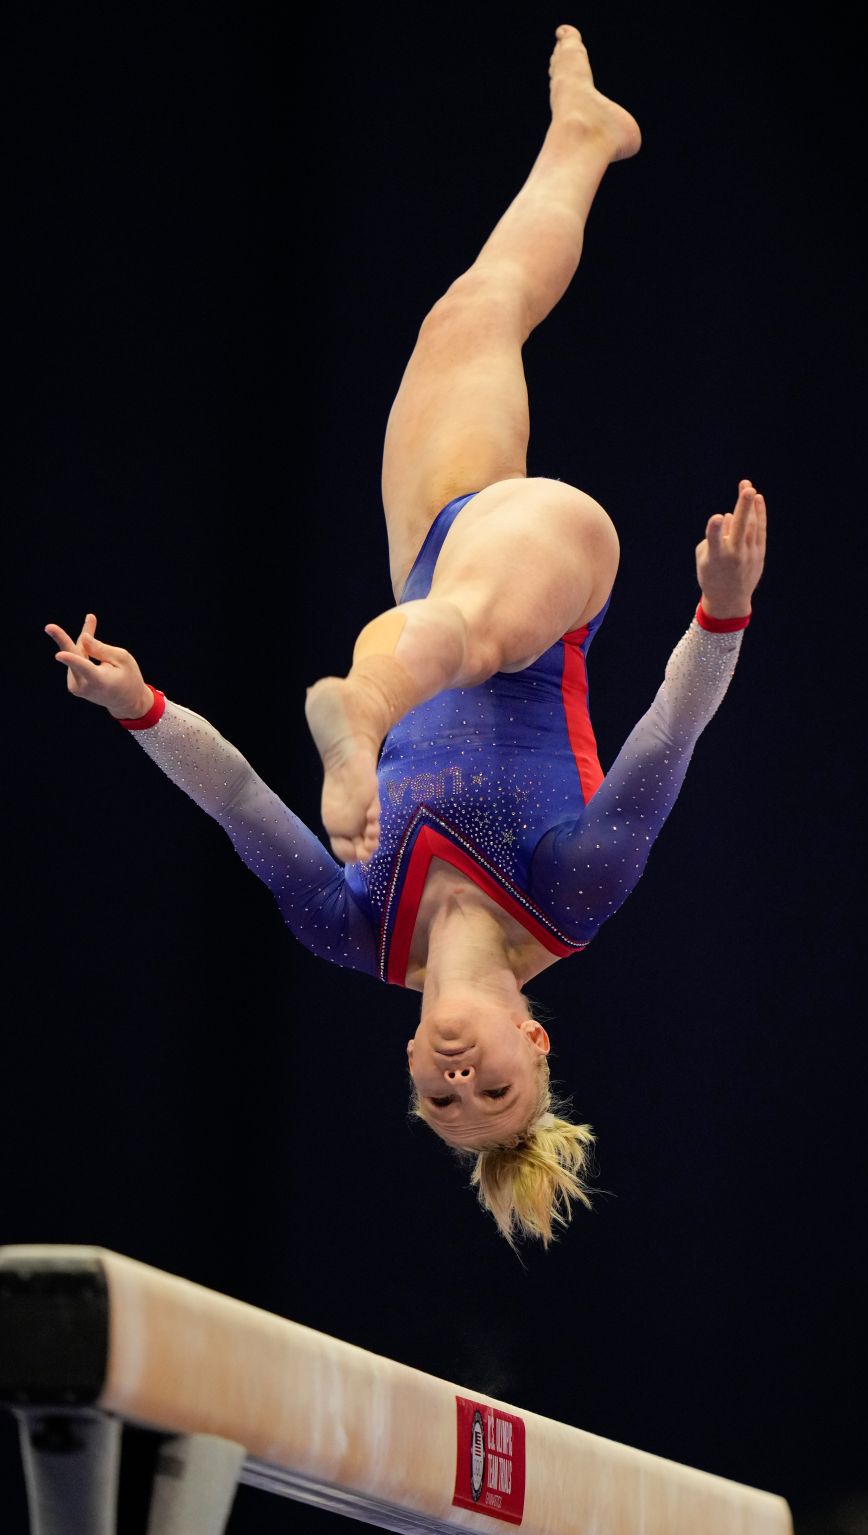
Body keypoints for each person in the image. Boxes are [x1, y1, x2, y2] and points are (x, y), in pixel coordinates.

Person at [45, 25, 767, 1246]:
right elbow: (667, 734)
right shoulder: (569, 891)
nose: (460, 1073)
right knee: (467, 631)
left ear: (409, 1070)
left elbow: (232, 801)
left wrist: (137, 709)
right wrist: (724, 605)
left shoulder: (347, 922)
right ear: (534, 1039)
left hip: (432, 554)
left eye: (441, 1097)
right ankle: (356, 716)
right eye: (497, 1085)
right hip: (549, 573)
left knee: (468, 315)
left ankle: (584, 141)